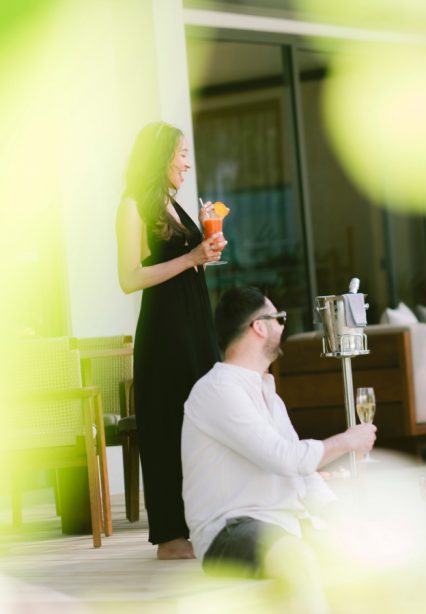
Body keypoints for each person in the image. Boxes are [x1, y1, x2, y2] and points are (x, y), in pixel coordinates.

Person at [182, 286, 376, 581]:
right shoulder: (218, 390)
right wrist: (348, 441)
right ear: (258, 327)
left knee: (369, 550)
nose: (283, 326)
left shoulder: (268, 393)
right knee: (297, 558)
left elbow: (302, 473)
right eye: (278, 318)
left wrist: (340, 516)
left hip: (286, 526)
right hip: (232, 530)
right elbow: (285, 459)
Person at [116, 121, 226, 559]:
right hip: (165, 334)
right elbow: (129, 278)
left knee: (203, 423)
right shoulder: (132, 207)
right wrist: (191, 257)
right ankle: (170, 535)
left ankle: (206, 518)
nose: (187, 162)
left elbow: (187, 264)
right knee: (168, 427)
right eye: (181, 154)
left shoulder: (175, 206)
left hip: (195, 326)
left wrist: (205, 256)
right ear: (161, 157)